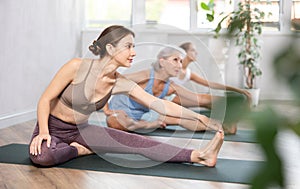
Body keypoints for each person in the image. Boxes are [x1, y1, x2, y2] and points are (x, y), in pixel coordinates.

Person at [29, 25, 224, 168]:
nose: (134, 52)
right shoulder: (76, 67)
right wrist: (43, 132)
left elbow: (158, 104)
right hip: (51, 127)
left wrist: (201, 117)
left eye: (134, 46)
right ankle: (79, 150)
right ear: (110, 48)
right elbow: (45, 100)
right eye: (128, 46)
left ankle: (200, 156)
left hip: (81, 131)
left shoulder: (120, 82)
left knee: (136, 143)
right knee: (43, 156)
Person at [105, 46, 223, 132]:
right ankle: (146, 125)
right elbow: (106, 83)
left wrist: (229, 103)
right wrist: (107, 110)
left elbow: (199, 98)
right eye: (175, 60)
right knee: (114, 122)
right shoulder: (144, 77)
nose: (179, 65)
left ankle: (218, 127)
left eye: (181, 61)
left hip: (141, 116)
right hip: (120, 113)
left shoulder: (171, 86)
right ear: (162, 61)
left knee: (179, 119)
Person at [171, 42, 251, 108]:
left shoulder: (188, 73)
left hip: (178, 100)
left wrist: (238, 90)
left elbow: (211, 84)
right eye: (192, 50)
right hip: (169, 100)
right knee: (208, 101)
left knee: (215, 103)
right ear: (184, 52)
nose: (196, 53)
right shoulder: (172, 67)